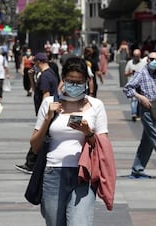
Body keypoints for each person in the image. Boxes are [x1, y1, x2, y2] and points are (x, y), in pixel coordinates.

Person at [31, 56, 111, 226]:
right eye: (70, 81)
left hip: (83, 174)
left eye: (79, 82)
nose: (74, 86)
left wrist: (88, 133)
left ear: (87, 82)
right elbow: (35, 146)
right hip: (53, 172)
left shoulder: (96, 105)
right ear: (63, 80)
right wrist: (48, 118)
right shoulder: (49, 103)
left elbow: (103, 147)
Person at [15, 52, 59, 174]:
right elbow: (36, 90)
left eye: (35, 63)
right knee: (43, 137)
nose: (34, 65)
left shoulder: (45, 77)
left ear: (39, 62)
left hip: (46, 114)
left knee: (39, 137)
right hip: (47, 113)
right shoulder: (49, 74)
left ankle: (31, 164)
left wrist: (45, 115)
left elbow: (46, 96)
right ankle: (33, 163)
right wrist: (31, 78)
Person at [124, 49, 147, 121]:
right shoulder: (130, 63)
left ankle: (139, 114)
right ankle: (134, 113)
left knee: (141, 100)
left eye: (137, 56)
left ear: (140, 55)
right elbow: (125, 74)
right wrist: (130, 72)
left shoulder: (144, 62)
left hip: (141, 84)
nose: (136, 57)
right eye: (134, 56)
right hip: (132, 84)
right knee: (134, 99)